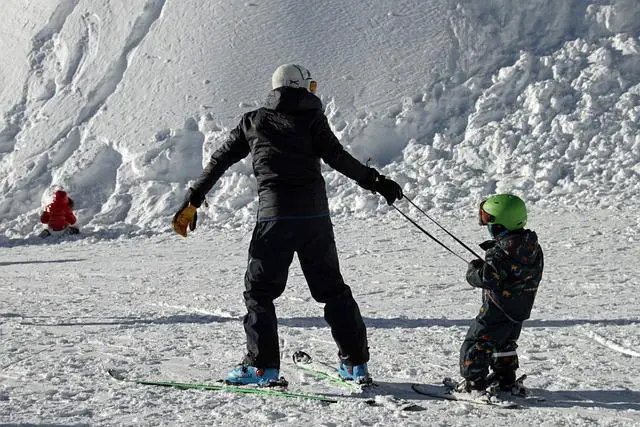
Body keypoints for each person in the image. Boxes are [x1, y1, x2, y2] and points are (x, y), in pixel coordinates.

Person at [173, 64, 403, 386]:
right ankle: (355, 365)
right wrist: (376, 182)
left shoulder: (253, 121)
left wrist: (193, 198)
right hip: (314, 219)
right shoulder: (312, 119)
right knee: (333, 290)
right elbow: (338, 157)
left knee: (259, 292)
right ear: (300, 86)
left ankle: (262, 367)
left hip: (275, 219)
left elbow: (220, 159)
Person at [457, 194, 543, 396]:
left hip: (498, 308)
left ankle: (474, 384)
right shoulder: (532, 246)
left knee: (477, 341)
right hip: (520, 308)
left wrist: (474, 271)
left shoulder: (501, 252)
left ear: (498, 224)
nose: (486, 224)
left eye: (488, 219)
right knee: (505, 342)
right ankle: (505, 378)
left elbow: (488, 279)